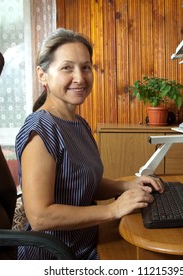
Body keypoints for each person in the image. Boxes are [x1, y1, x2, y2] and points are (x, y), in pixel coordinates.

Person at [15, 28, 163, 260]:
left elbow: (82, 183)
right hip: (58, 254)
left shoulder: (78, 124)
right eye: (67, 67)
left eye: (85, 67)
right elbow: (40, 217)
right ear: (42, 75)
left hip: (87, 239)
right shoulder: (40, 129)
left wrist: (125, 186)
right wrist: (113, 209)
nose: (80, 78)